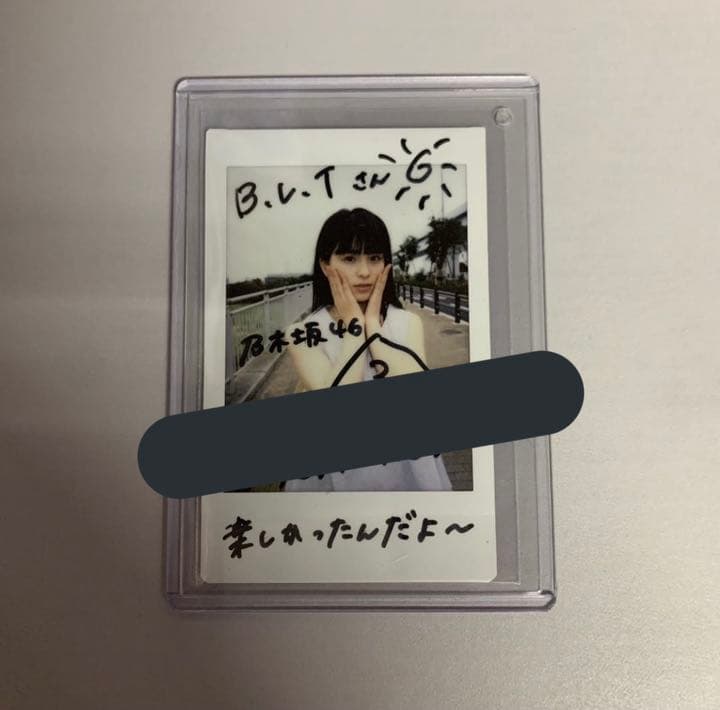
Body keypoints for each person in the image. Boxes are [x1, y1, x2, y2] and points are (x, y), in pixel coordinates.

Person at [283, 207, 452, 492]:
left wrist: (372, 327)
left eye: (374, 258)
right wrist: (354, 327)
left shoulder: (407, 322)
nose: (364, 272)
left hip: (408, 474)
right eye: (349, 259)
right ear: (325, 265)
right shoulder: (302, 334)